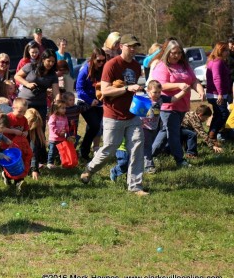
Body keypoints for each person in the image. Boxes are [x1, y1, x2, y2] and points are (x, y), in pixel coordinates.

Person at [80, 34, 148, 196]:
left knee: (138, 146)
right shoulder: (111, 65)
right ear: (121, 46)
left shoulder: (137, 66)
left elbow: (134, 88)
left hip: (132, 114)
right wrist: (126, 88)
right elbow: (105, 90)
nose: (133, 49)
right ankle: (89, 169)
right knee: (110, 148)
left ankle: (135, 186)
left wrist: (141, 95)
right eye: (130, 46)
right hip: (113, 115)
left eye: (135, 46)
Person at [151, 39, 205, 168]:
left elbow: (193, 80)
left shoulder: (184, 65)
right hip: (168, 106)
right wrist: (178, 84)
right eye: (173, 53)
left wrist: (200, 90)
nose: (177, 56)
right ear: (167, 52)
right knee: (174, 134)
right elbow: (160, 85)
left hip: (182, 105)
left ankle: (147, 156)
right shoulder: (161, 66)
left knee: (165, 132)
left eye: (179, 53)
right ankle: (180, 161)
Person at [142, 80, 188, 173]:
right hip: (144, 126)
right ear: (148, 91)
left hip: (154, 127)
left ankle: (142, 161)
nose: (157, 94)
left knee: (149, 146)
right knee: (146, 146)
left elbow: (173, 99)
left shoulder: (161, 99)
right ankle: (148, 166)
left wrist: (184, 91)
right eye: (155, 92)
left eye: (159, 92)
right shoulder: (145, 99)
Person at [15, 49, 60, 130]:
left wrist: (57, 102)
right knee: (25, 127)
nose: (51, 64)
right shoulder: (30, 66)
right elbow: (17, 76)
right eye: (48, 61)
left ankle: (40, 143)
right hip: (26, 102)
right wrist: (27, 84)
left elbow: (56, 91)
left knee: (40, 128)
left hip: (41, 104)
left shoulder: (53, 75)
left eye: (53, 61)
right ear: (43, 59)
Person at [76, 48, 107, 160]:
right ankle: (83, 150)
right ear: (93, 59)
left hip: (99, 103)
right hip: (85, 103)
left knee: (93, 127)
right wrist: (90, 100)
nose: (101, 63)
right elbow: (79, 89)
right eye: (99, 61)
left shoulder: (103, 68)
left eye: (103, 61)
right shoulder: (85, 69)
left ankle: (84, 153)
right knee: (94, 125)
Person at [1, 98, 32, 191]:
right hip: (6, 145)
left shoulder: (24, 119)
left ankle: (19, 181)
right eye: (20, 111)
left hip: (18, 146)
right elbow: (1, 129)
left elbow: (26, 129)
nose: (21, 114)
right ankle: (7, 175)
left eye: (24, 112)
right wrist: (13, 131)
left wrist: (26, 132)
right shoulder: (8, 118)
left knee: (19, 162)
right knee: (11, 163)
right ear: (13, 108)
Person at [205, 41, 231, 142]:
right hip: (216, 94)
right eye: (225, 50)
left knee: (218, 114)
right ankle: (212, 136)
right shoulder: (217, 62)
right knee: (223, 114)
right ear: (220, 50)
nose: (227, 53)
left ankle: (211, 136)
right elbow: (217, 78)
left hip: (218, 93)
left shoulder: (218, 61)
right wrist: (220, 93)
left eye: (227, 50)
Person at [25, 108, 47, 181]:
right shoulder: (20, 129)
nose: (31, 128)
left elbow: (34, 150)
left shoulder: (37, 133)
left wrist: (34, 169)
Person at [47, 99, 69, 169]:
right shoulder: (53, 117)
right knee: (52, 151)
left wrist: (65, 131)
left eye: (65, 108)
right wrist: (58, 132)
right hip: (54, 138)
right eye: (62, 108)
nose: (64, 110)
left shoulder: (65, 117)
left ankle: (63, 162)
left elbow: (66, 125)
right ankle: (50, 163)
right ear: (57, 108)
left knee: (62, 151)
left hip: (62, 138)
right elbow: (51, 126)